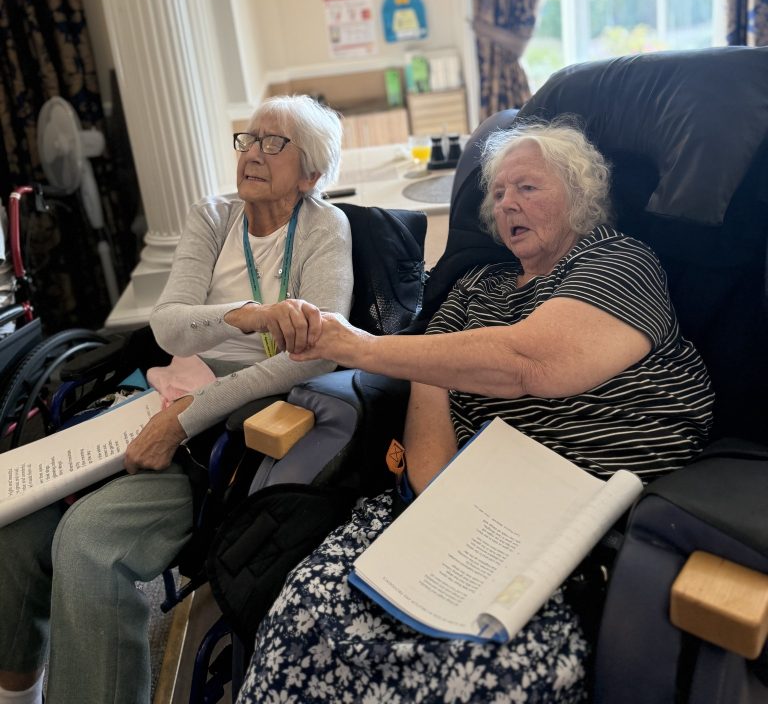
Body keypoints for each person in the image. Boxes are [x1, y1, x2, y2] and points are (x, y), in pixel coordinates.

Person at [237, 118, 714, 704]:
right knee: (305, 614)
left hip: (577, 530)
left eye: (527, 187)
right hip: (473, 518)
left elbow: (529, 362)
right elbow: (430, 417)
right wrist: (438, 522)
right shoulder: (475, 289)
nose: (507, 202)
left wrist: (359, 346)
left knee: (474, 673)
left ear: (580, 195)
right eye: (499, 193)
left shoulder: (618, 261)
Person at [0, 94, 353, 704]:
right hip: (169, 389)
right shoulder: (213, 216)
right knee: (18, 525)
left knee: (88, 546)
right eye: (249, 138)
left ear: (311, 174)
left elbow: (317, 353)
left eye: (274, 143)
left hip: (236, 423)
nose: (253, 153)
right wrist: (249, 315)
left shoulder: (326, 227)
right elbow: (168, 327)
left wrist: (187, 418)